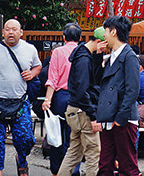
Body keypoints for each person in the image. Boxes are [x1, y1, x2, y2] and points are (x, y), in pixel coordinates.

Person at [0, 18, 41, 176]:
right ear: (3, 32)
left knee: (26, 138)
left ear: (21, 32)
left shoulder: (30, 49)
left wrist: (32, 73)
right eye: (7, 29)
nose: (10, 32)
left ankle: (22, 159)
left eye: (14, 29)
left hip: (20, 102)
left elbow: (38, 66)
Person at [57, 27, 105, 176]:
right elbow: (83, 91)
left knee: (74, 152)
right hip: (82, 111)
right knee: (93, 152)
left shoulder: (83, 55)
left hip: (75, 109)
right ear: (99, 41)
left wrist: (98, 56)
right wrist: (93, 116)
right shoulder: (84, 59)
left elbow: (91, 82)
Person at [97, 16, 140, 176]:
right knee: (105, 166)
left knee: (127, 167)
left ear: (113, 32)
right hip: (109, 118)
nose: (104, 36)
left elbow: (133, 90)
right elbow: (98, 82)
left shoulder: (129, 57)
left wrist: (120, 119)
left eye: (106, 31)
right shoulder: (112, 57)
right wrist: (97, 57)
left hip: (123, 119)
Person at [42, 23, 81, 176]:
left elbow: (53, 79)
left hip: (60, 97)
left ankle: (57, 171)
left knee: (57, 136)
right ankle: (74, 171)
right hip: (78, 98)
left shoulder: (57, 52)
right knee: (74, 137)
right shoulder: (84, 52)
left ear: (63, 37)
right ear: (79, 38)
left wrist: (47, 100)